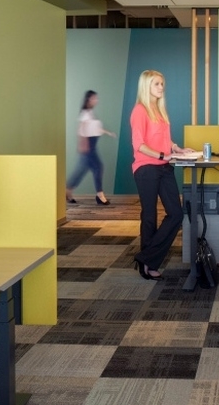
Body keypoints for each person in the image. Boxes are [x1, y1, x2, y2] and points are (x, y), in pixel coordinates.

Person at [130, 70, 195, 281]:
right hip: (146, 168)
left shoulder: (159, 110)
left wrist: (176, 149)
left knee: (176, 214)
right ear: (146, 86)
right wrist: (162, 155)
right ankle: (148, 264)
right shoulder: (140, 111)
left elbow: (164, 139)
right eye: (157, 84)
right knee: (149, 216)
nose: (161, 87)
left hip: (164, 167)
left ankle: (145, 257)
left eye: (162, 83)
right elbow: (139, 144)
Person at [66, 90, 116, 205]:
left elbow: (95, 129)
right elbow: (81, 130)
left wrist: (108, 132)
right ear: (88, 99)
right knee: (97, 168)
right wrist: (83, 144)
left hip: (92, 145)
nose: (96, 100)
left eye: (96, 98)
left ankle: (67, 191)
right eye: (94, 98)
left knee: (82, 170)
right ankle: (100, 195)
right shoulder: (85, 113)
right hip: (88, 146)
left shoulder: (91, 113)